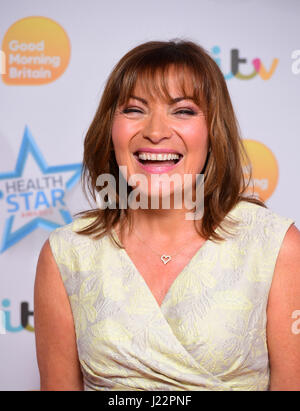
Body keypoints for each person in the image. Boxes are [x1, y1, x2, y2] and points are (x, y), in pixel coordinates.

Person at [34, 39, 300, 391]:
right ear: (110, 128)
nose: (156, 131)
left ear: (212, 131)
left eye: (183, 110)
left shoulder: (277, 248)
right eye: (133, 109)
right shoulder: (65, 254)